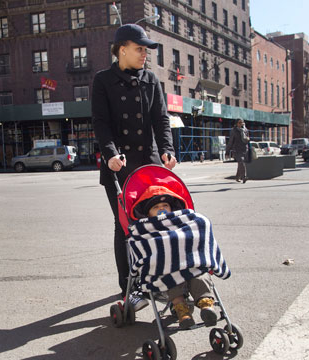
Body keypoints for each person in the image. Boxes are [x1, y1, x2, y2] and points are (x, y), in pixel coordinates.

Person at [92, 23, 177, 311]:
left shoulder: (151, 79)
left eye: (146, 50)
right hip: (119, 166)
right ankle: (128, 284)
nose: (145, 55)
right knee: (125, 225)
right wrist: (110, 154)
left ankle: (160, 279)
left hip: (150, 165)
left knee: (159, 221)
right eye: (140, 49)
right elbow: (101, 123)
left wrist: (167, 150)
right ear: (122, 49)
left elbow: (161, 120)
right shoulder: (103, 80)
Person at [132, 186, 217, 329]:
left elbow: (194, 237)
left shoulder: (182, 224)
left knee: (201, 276)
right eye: (156, 207)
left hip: (190, 264)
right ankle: (182, 312)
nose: (162, 209)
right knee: (171, 281)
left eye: (165, 205)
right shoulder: (145, 230)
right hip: (165, 270)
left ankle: (206, 306)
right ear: (148, 213)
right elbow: (141, 250)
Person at [226, 118, 249, 183]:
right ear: (236, 124)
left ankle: (237, 177)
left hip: (244, 149)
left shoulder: (245, 130)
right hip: (237, 149)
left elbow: (248, 139)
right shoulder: (234, 131)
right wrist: (227, 152)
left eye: (242, 122)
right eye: (239, 122)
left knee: (240, 164)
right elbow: (230, 141)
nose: (241, 124)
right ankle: (244, 177)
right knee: (241, 162)